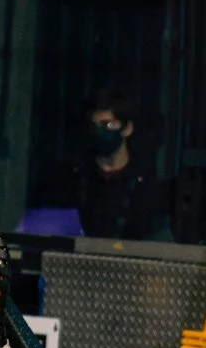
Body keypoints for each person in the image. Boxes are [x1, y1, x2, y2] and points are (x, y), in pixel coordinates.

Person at [46, 88, 163, 240]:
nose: (99, 132)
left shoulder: (144, 184)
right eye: (93, 126)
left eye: (107, 125)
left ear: (127, 128)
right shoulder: (73, 177)